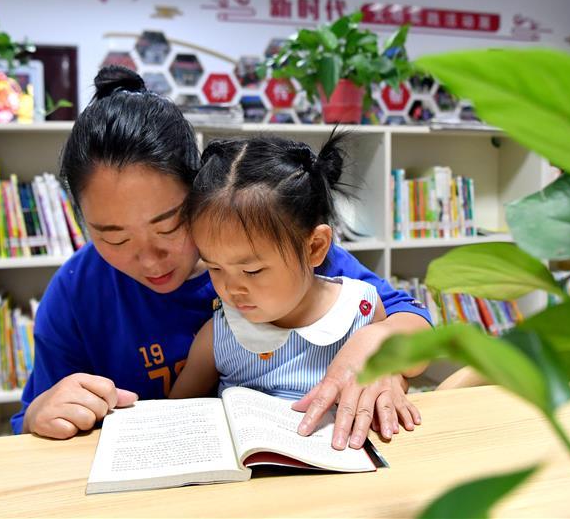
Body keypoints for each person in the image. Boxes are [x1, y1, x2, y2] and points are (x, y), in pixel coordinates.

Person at [12, 66, 432, 451]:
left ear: (198, 194)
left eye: (168, 227)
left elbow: (409, 320)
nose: (150, 259)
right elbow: (29, 421)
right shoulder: (77, 290)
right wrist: (39, 414)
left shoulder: (274, 250)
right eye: (114, 239)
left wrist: (377, 345)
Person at [169, 134, 428, 443]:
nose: (230, 288)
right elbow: (175, 415)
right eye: (214, 267)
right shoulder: (220, 334)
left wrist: (392, 370)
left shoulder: (360, 310)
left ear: (315, 247)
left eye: (251, 270)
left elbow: (418, 361)